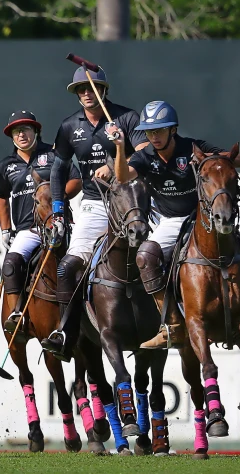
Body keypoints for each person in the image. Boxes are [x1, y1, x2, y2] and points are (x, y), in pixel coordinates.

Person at [111, 100, 240, 349]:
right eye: (149, 131)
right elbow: (122, 176)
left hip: (206, 213)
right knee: (146, 257)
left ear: (173, 130)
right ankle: (171, 325)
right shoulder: (144, 155)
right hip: (172, 219)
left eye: (159, 130)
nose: (154, 136)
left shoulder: (192, 147)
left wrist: (210, 160)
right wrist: (119, 147)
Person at [40, 66, 149, 361]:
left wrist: (118, 155)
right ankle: (66, 332)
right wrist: (60, 210)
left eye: (92, 88)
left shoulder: (126, 118)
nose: (87, 94)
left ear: (103, 90)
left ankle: (172, 322)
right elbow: (58, 170)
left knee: (163, 254)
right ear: (77, 95)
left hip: (132, 201)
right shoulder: (68, 127)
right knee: (66, 268)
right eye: (81, 90)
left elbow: (146, 154)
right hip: (94, 204)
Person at [0, 110, 82, 335]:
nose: (21, 135)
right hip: (29, 230)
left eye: (25, 129)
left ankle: (88, 310)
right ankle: (17, 316)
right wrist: (6, 229)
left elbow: (76, 180)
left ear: (36, 131)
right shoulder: (7, 165)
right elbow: (1, 198)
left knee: (80, 263)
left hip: (58, 224)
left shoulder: (53, 156)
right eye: (16, 131)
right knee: (11, 263)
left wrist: (56, 199)